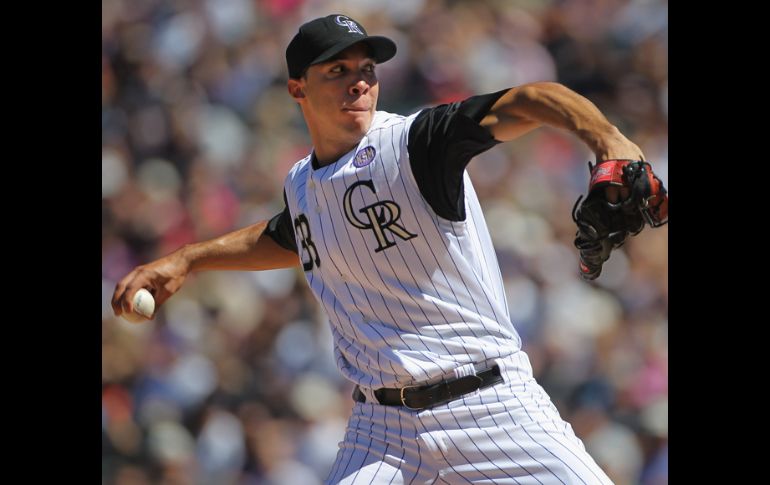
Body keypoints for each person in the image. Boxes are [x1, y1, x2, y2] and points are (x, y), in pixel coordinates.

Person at [112, 13, 665, 484]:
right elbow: (291, 234)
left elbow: (530, 99)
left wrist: (606, 138)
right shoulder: (304, 184)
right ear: (297, 88)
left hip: (491, 403)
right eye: (338, 71)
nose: (359, 83)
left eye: (367, 70)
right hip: (382, 431)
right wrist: (188, 257)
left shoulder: (415, 142)